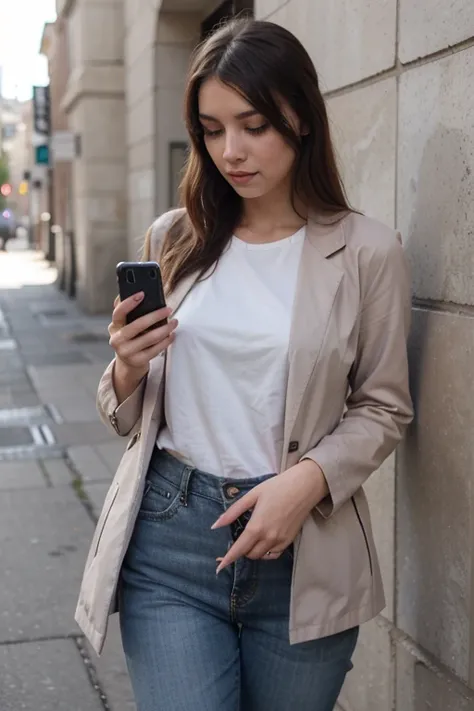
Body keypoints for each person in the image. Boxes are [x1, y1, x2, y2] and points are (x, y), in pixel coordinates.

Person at [75, 17, 413, 711]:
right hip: (171, 534)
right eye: (211, 128)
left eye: (253, 124)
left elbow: (383, 406)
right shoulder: (177, 236)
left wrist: (308, 481)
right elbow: (128, 412)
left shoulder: (366, 252)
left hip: (303, 545)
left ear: (302, 117)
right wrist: (128, 369)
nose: (231, 150)